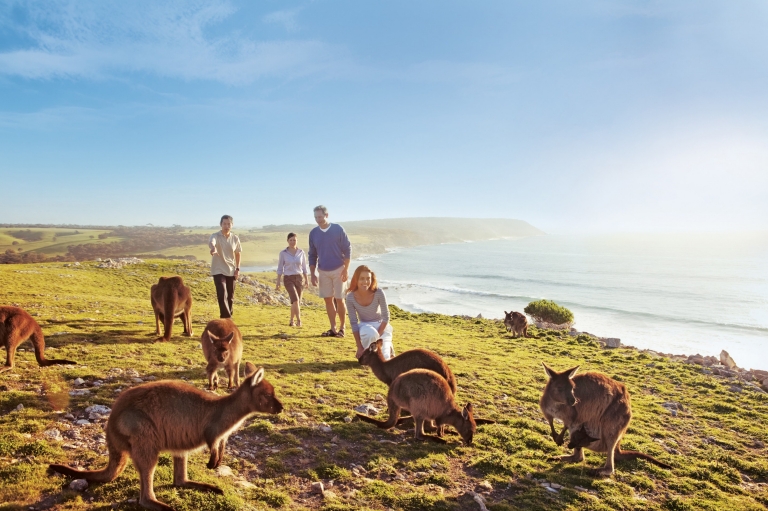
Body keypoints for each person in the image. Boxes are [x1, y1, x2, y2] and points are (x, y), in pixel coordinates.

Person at [308, 205, 351, 338]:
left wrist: (346, 269)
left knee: (340, 299)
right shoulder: (313, 233)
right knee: (328, 300)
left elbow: (348, 249)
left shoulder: (338, 229)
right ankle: (333, 328)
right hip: (323, 271)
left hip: (339, 269)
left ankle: (342, 328)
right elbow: (312, 254)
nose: (318, 220)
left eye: (320, 217)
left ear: (327, 215)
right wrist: (313, 273)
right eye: (316, 217)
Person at [346, 265, 395, 360]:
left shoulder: (378, 292)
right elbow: (353, 322)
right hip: (365, 326)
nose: (365, 282)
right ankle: (375, 349)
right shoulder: (350, 297)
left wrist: (379, 336)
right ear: (356, 280)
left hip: (382, 327)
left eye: (368, 278)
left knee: (385, 360)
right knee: (370, 334)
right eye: (362, 279)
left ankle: (388, 347)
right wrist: (359, 347)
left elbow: (386, 317)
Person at [208, 215, 242, 319]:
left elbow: (238, 254)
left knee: (230, 297)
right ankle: (227, 318)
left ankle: (227, 317)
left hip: (231, 270)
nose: (226, 226)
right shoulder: (215, 235)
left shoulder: (235, 238)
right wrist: (213, 248)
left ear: (232, 225)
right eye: (224, 224)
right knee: (222, 294)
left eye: (228, 224)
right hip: (218, 270)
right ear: (221, 224)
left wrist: (237, 269)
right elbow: (211, 242)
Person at [275, 232, 310, 327]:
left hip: (299, 278)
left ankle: (291, 320)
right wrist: (278, 282)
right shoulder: (283, 253)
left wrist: (307, 280)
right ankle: (299, 321)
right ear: (287, 241)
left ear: (297, 240)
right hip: (288, 278)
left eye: (294, 240)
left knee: (296, 302)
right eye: (290, 240)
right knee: (296, 300)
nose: (292, 242)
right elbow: (280, 268)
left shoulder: (301, 252)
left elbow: (304, 268)